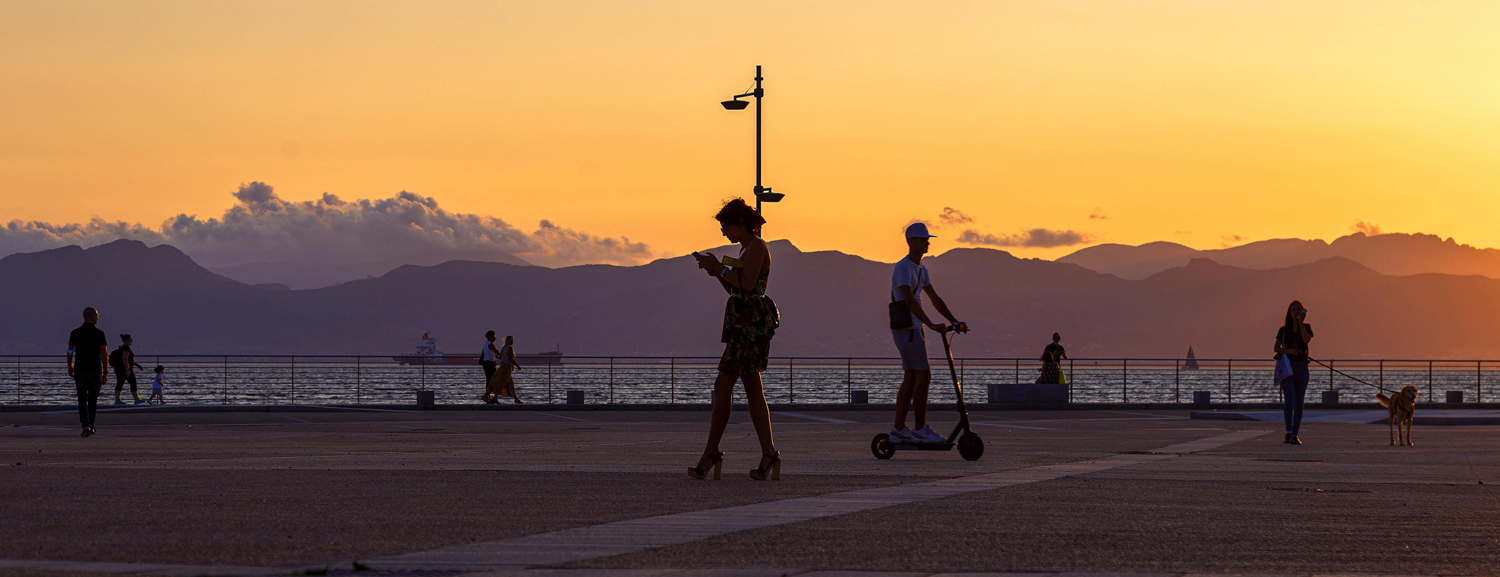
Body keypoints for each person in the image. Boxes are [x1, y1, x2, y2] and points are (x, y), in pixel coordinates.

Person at [688, 198, 781, 480]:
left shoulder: (757, 247)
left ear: (739, 224)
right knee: (752, 390)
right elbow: (734, 289)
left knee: (724, 384)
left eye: (724, 226)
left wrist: (720, 267)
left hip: (748, 325)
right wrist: (716, 270)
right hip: (743, 323)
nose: (722, 232)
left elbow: (747, 284)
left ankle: (712, 452)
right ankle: (768, 454)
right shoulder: (744, 249)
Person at [889, 222, 962, 444]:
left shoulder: (921, 269)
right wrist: (931, 324)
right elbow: (908, 300)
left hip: (915, 329)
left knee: (911, 378)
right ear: (910, 242)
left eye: (927, 239)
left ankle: (900, 429)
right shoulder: (903, 267)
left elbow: (935, 298)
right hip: (909, 329)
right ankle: (919, 428)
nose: (927, 242)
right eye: (922, 239)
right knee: (924, 376)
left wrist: (954, 321)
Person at [1273, 300, 1314, 445]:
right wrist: (1290, 351)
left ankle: (1295, 434)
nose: (1296, 312)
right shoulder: (1283, 330)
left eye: (1298, 309)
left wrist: (1301, 323)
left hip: (1302, 367)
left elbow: (1306, 340)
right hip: (1288, 368)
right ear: (1290, 313)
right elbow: (1276, 348)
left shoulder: (1307, 327)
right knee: (1289, 399)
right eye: (1293, 310)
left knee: (1299, 402)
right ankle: (1288, 432)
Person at [67, 307, 109, 437]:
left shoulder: (75, 333)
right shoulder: (99, 333)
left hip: (80, 370)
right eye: (97, 315)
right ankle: (91, 424)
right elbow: (104, 354)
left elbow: (70, 351)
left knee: (82, 398)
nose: (98, 317)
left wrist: (70, 365)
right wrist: (105, 372)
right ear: (91, 316)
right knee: (92, 399)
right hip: (94, 370)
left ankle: (85, 425)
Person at [486, 335, 524, 404]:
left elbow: (500, 358)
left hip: (502, 366)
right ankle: (495, 397)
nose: (513, 342)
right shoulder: (509, 348)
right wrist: (518, 366)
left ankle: (515, 398)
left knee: (507, 383)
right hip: (507, 367)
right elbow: (511, 359)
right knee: (503, 382)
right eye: (512, 340)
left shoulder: (503, 348)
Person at [110, 334, 145, 405]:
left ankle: (117, 400)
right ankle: (136, 399)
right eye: (130, 339)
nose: (132, 340)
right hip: (124, 369)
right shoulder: (126, 348)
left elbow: (129, 360)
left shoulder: (121, 348)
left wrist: (138, 365)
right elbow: (125, 359)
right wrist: (127, 369)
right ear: (126, 340)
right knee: (133, 382)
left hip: (118, 369)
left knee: (119, 383)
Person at [480, 331, 501, 403]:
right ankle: (487, 396)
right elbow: (498, 352)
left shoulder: (485, 344)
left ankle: (488, 397)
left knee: (489, 380)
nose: (495, 338)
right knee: (493, 379)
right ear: (490, 337)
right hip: (490, 364)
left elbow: (489, 353)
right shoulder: (491, 345)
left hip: (486, 363)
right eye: (494, 337)